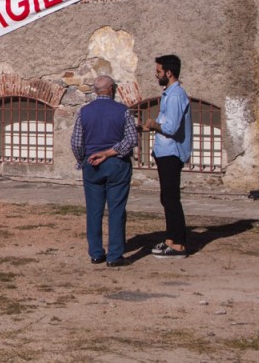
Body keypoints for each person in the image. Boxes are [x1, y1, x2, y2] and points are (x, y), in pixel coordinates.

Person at [70, 75, 137, 267]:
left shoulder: (84, 112)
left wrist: (82, 159)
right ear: (112, 89)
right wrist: (111, 152)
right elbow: (131, 139)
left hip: (92, 163)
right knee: (116, 210)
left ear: (96, 91)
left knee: (94, 211)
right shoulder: (123, 111)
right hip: (117, 162)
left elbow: (76, 142)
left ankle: (96, 253)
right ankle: (115, 255)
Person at [141, 54, 192, 259]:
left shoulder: (176, 95)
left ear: (168, 73)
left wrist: (154, 125)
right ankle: (171, 238)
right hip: (164, 152)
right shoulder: (168, 94)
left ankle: (179, 243)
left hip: (172, 152)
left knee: (171, 198)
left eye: (159, 71)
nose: (156, 75)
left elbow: (171, 127)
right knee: (166, 197)